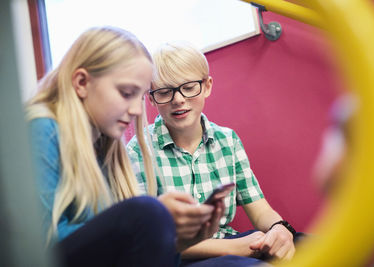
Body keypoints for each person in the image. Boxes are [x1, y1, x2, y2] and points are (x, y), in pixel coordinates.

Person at [26, 27, 224, 267]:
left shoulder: (106, 148)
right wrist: (154, 218)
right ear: (81, 83)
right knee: (148, 210)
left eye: (139, 97)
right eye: (126, 93)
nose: (137, 111)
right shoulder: (41, 130)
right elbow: (36, 247)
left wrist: (178, 240)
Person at [126, 41, 297, 266]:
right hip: (176, 256)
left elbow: (260, 209)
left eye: (188, 87)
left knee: (309, 246)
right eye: (165, 92)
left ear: (206, 86)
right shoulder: (138, 150)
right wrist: (231, 247)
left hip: (233, 244)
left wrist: (280, 229)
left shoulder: (228, 140)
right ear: (151, 98)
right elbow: (147, 239)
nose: (178, 99)